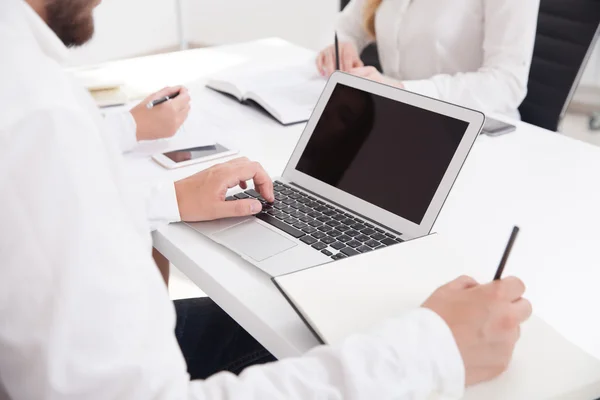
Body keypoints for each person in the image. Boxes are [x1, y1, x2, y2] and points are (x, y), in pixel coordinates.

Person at [0, 0, 533, 399]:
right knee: (313, 327)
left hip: (466, 142)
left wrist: (165, 198)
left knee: (287, 316)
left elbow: (39, 206)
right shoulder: (42, 116)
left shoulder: (28, 84)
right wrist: (432, 351)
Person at [317, 0, 540, 118]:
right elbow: (345, 27)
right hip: (394, 117)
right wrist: (340, 46)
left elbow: (507, 83)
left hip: (476, 132)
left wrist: (402, 91)